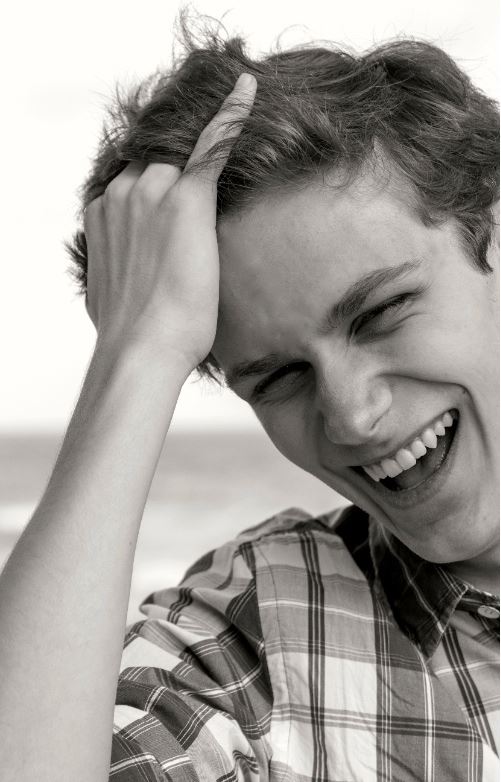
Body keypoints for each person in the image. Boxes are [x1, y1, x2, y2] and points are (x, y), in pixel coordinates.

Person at [0, 18, 499, 782]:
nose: (351, 416)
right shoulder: (249, 647)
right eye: (278, 379)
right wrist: (138, 352)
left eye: (380, 313)